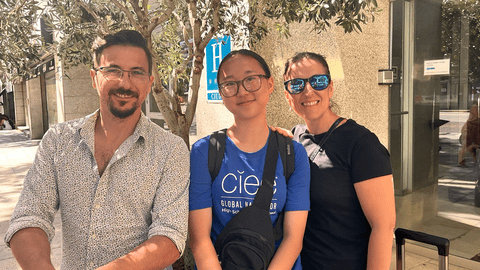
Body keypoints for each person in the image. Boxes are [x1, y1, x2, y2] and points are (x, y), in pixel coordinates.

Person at [4, 30, 190, 270]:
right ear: (94, 78)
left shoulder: (171, 150)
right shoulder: (59, 140)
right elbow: (29, 216)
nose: (125, 83)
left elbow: (170, 235)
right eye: (113, 70)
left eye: (137, 73)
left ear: (149, 82)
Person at [188, 49, 311, 270]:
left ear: (270, 84)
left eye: (251, 79)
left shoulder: (293, 153)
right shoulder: (204, 152)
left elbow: (293, 239)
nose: (242, 91)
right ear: (222, 93)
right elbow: (199, 239)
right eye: (230, 84)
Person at [282, 52, 396, 270]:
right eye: (296, 84)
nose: (308, 90)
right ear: (289, 96)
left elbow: (383, 226)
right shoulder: (294, 138)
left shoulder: (361, 144)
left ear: (330, 88)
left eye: (318, 81)